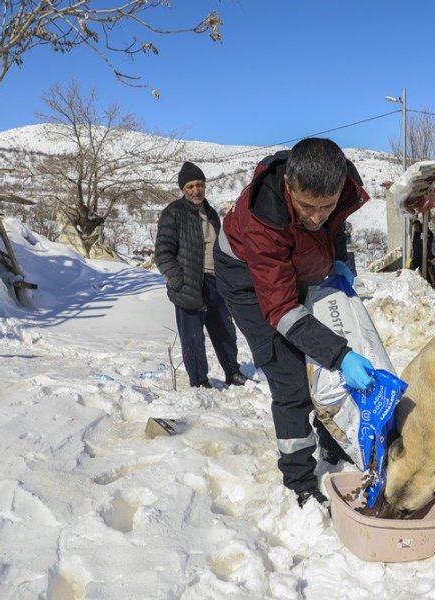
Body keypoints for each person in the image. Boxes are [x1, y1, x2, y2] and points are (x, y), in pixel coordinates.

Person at [213, 138, 375, 510]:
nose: (317, 216)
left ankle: (332, 441)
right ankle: (300, 478)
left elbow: (332, 227)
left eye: (326, 206)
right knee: (289, 379)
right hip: (247, 281)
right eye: (307, 207)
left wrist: (338, 261)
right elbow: (282, 310)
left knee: (322, 360)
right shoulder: (263, 221)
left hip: (296, 265)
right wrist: (341, 355)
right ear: (288, 186)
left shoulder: (340, 190)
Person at [154, 161, 249, 389]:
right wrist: (178, 281)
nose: (196, 190)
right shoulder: (174, 213)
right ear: (183, 189)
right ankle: (199, 381)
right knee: (193, 337)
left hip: (216, 283)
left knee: (225, 331)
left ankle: (232, 372)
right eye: (190, 186)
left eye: (199, 184)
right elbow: (162, 253)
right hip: (188, 286)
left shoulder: (212, 213)